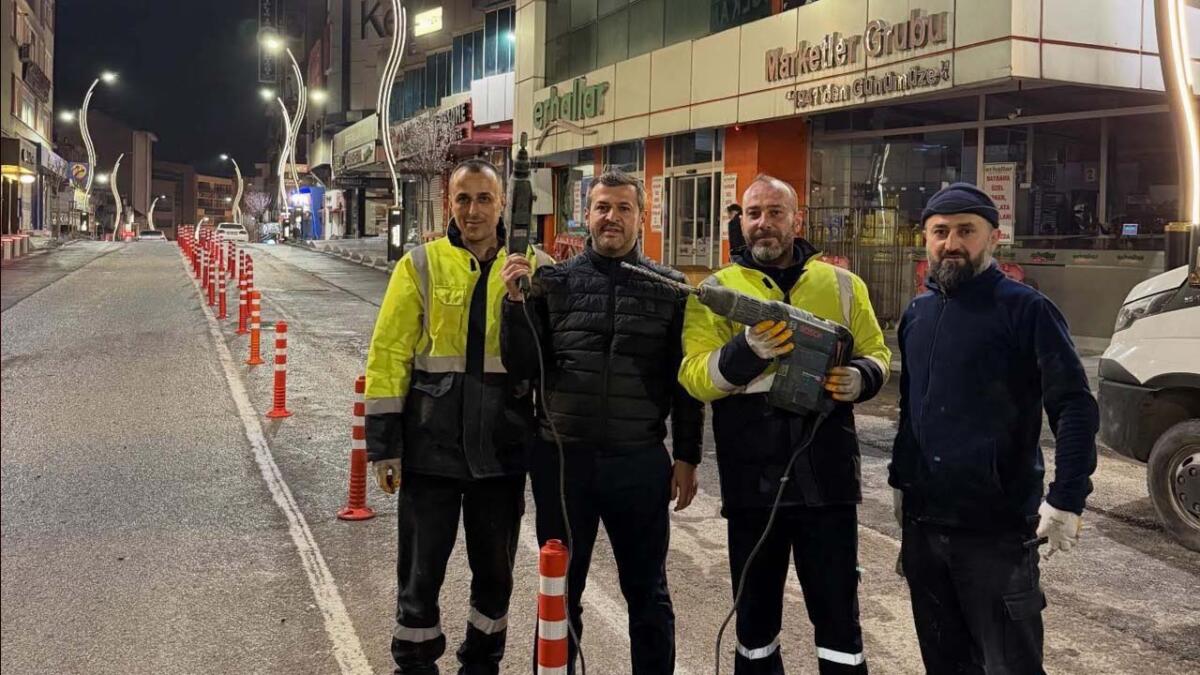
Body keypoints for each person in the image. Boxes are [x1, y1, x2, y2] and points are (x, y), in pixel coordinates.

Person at [679, 175, 891, 674]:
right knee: (755, 627)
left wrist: (862, 378)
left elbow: (877, 351)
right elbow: (693, 376)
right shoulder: (715, 293)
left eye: (776, 212)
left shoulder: (842, 285)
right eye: (754, 214)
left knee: (840, 622)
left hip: (828, 480)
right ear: (741, 220)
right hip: (753, 482)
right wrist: (744, 352)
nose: (764, 223)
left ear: (797, 218)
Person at [499, 169, 704, 674]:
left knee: (648, 592)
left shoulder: (671, 290)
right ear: (586, 215)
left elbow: (686, 382)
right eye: (602, 208)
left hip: (638, 463)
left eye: (623, 208)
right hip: (564, 463)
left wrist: (688, 456)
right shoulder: (552, 284)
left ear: (641, 216)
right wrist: (513, 304)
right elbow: (524, 365)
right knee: (560, 591)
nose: (611, 217)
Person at [890, 182, 1099, 674]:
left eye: (967, 231)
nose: (951, 243)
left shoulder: (1026, 310)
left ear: (994, 237)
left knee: (1010, 665)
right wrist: (903, 482)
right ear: (925, 238)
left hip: (996, 534)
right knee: (944, 663)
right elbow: (911, 405)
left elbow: (1073, 405)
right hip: (924, 529)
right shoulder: (918, 314)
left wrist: (1068, 497)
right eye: (940, 232)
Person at [364, 158, 549, 675]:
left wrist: (522, 298)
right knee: (420, 575)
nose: (472, 210)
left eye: (483, 199)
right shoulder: (420, 265)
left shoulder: (534, 267)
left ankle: (482, 663)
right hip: (431, 453)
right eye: (463, 199)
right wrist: (384, 446)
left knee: (495, 576)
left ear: (502, 205)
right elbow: (388, 354)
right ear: (450, 203)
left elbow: (545, 361)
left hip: (501, 453)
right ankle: (416, 662)